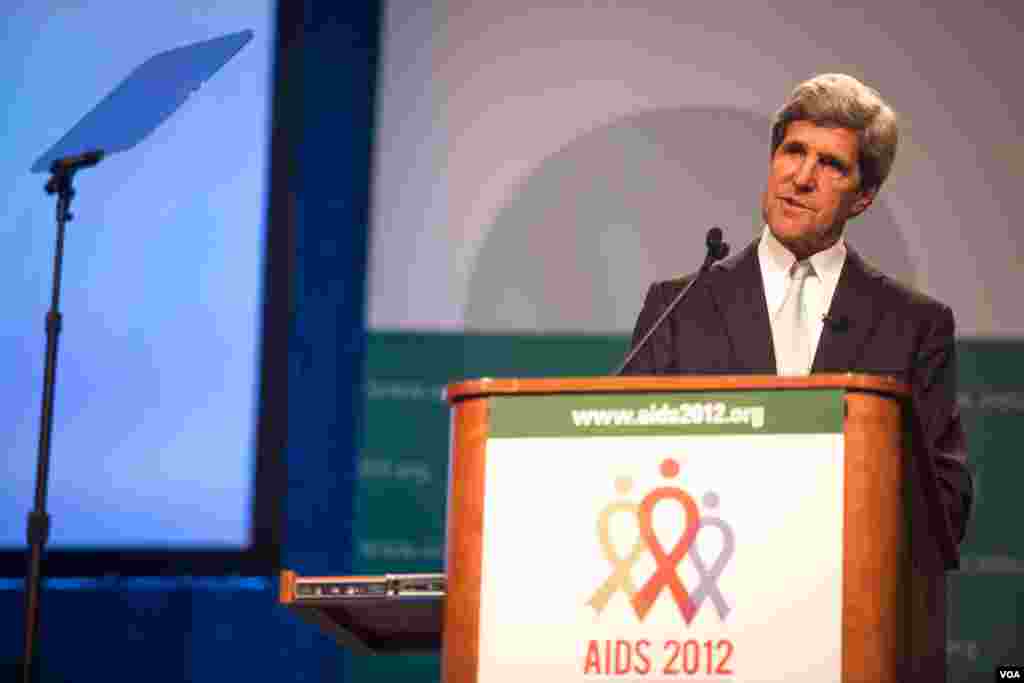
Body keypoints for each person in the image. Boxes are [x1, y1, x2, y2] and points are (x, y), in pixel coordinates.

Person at [622, 73, 971, 549]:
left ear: (863, 197)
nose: (802, 178)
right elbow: (626, 463)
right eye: (793, 151)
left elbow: (946, 507)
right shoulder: (679, 309)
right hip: (707, 591)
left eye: (831, 165)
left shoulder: (913, 326)